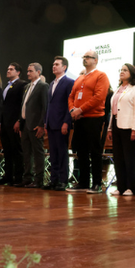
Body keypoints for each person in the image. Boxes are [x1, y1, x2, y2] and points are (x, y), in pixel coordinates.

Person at [67, 50, 110, 193]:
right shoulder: (79, 78)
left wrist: (80, 109)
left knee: (95, 150)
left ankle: (97, 183)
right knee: (81, 150)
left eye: (88, 57)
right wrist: (73, 110)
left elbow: (99, 97)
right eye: (84, 57)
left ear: (96, 60)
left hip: (94, 117)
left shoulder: (101, 75)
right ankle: (83, 182)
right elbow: (71, 96)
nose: (85, 59)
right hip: (79, 118)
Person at [107, 64, 135, 196]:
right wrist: (110, 128)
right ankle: (121, 186)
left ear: (132, 73)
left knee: (129, 158)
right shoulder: (118, 89)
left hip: (129, 127)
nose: (122, 72)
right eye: (121, 70)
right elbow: (113, 110)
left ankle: (132, 188)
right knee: (118, 158)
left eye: (125, 70)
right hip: (117, 125)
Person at [44, 56, 75, 191]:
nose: (54, 66)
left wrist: (66, 122)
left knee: (62, 153)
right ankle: (53, 180)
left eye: (57, 64)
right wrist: (46, 122)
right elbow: (49, 105)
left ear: (64, 67)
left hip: (61, 123)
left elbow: (70, 105)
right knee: (53, 154)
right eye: (53, 64)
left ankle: (63, 180)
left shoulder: (69, 82)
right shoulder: (51, 83)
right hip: (51, 123)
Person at [0, 63, 26, 186]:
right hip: (5, 123)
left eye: (11, 69)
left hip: (14, 122)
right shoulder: (6, 86)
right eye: (7, 69)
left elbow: (22, 104)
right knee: (7, 150)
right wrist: (0, 122)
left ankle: (18, 177)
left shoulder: (22, 84)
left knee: (17, 150)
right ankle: (8, 176)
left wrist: (19, 120)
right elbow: (3, 106)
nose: (8, 71)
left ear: (18, 72)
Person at [19, 63, 49, 188]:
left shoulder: (43, 86)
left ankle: (39, 179)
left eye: (30, 71)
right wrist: (21, 123)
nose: (28, 73)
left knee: (37, 152)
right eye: (27, 71)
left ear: (38, 72)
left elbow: (44, 107)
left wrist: (41, 124)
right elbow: (23, 105)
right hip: (26, 124)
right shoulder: (27, 86)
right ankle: (27, 177)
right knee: (26, 152)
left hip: (36, 125)